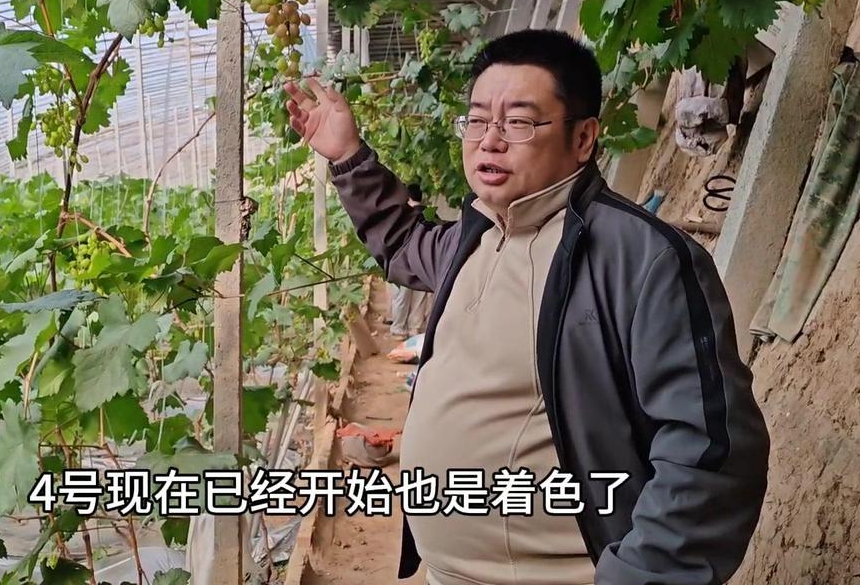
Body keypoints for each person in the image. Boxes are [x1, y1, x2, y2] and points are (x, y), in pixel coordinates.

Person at [283, 29, 769, 585]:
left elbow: (711, 449)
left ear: (583, 138)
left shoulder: (642, 260)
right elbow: (401, 243)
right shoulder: (475, 238)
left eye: (518, 122)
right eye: (477, 120)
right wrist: (348, 157)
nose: (490, 141)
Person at [389, 184, 430, 340]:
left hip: (405, 260)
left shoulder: (404, 215)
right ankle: (415, 329)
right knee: (420, 296)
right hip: (424, 261)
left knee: (402, 297)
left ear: (408, 197)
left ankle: (398, 329)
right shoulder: (431, 214)